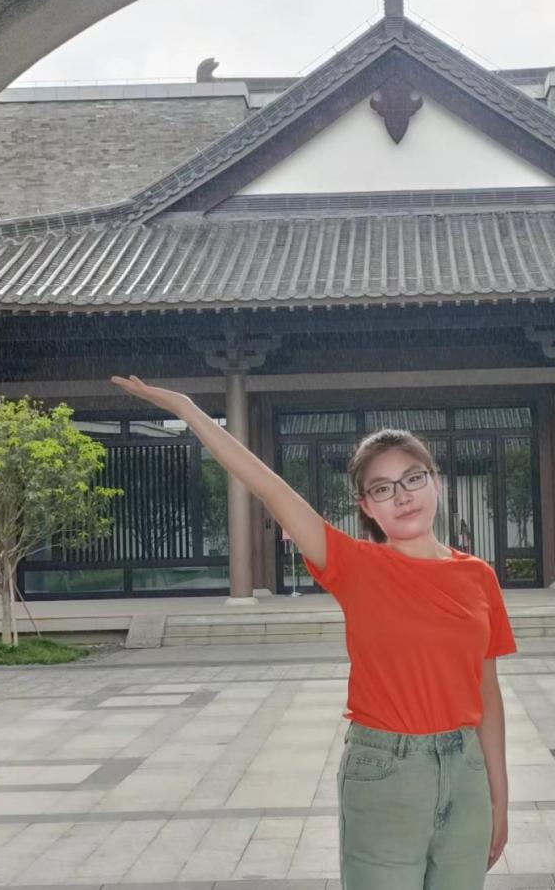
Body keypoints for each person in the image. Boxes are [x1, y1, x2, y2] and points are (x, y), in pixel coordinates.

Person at [110, 375, 518, 889]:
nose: (402, 496)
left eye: (413, 478)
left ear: (435, 482)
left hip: (466, 772)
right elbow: (269, 487)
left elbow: (488, 693)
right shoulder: (354, 565)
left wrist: (500, 797)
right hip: (385, 773)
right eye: (382, 488)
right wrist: (190, 411)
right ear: (366, 506)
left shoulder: (478, 575)